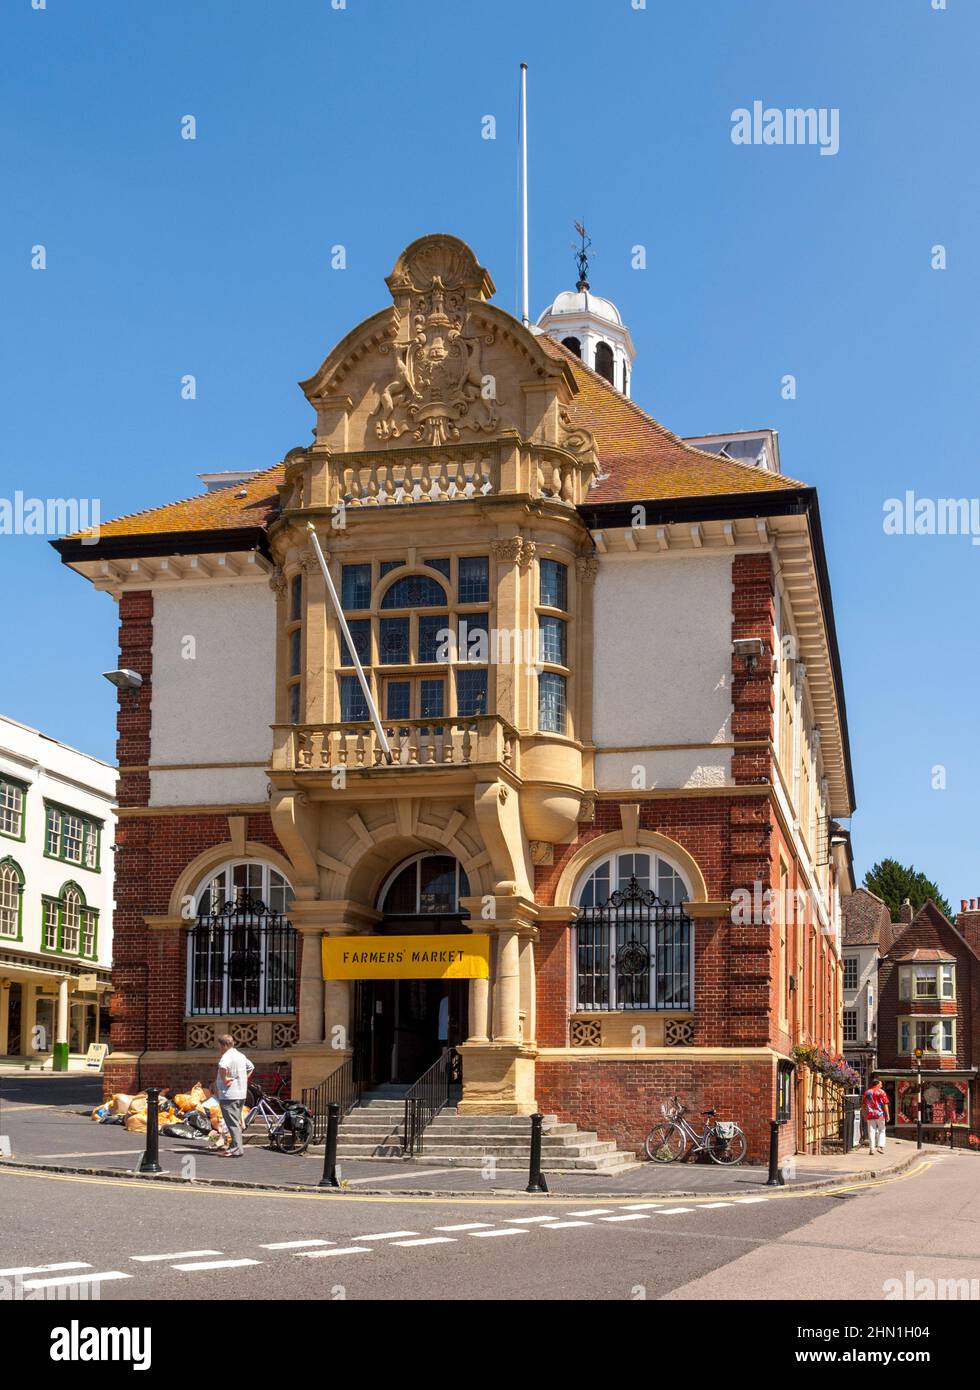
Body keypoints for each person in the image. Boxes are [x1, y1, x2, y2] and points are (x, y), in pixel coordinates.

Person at [213, 1032, 253, 1158]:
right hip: (241, 1093)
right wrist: (243, 1079)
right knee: (236, 1122)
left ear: (224, 1045)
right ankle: (235, 1146)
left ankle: (237, 1149)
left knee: (232, 1123)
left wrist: (225, 1080)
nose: (219, 1049)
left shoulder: (227, 1056)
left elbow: (222, 1067)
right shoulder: (240, 1055)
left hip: (229, 1094)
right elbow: (251, 1067)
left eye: (219, 1046)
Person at [862, 1075, 890, 1155]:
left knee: (871, 1132)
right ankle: (880, 1146)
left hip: (870, 1115)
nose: (881, 1085)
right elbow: (885, 1104)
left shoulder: (867, 1092)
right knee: (882, 1130)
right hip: (880, 1115)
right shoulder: (881, 1092)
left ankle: (872, 1149)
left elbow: (863, 1105)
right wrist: (887, 1115)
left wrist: (864, 1115)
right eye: (881, 1084)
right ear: (877, 1084)